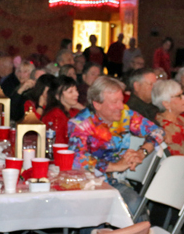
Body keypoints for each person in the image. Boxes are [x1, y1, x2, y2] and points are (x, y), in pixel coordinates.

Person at [67, 76, 164, 215]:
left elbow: (157, 131)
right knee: (93, 214)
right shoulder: (80, 123)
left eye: (121, 100)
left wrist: (142, 152)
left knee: (137, 207)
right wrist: (116, 166)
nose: (120, 106)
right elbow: (78, 159)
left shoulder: (125, 115)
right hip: (87, 185)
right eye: (114, 102)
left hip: (116, 183)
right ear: (97, 104)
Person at [152, 80, 184, 156]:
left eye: (183, 94)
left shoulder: (178, 118)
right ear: (166, 104)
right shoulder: (167, 129)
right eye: (179, 96)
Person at [41, 76, 84, 145]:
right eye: (70, 92)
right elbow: (58, 143)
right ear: (58, 96)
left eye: (76, 90)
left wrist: (82, 108)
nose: (77, 94)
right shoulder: (55, 115)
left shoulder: (74, 111)